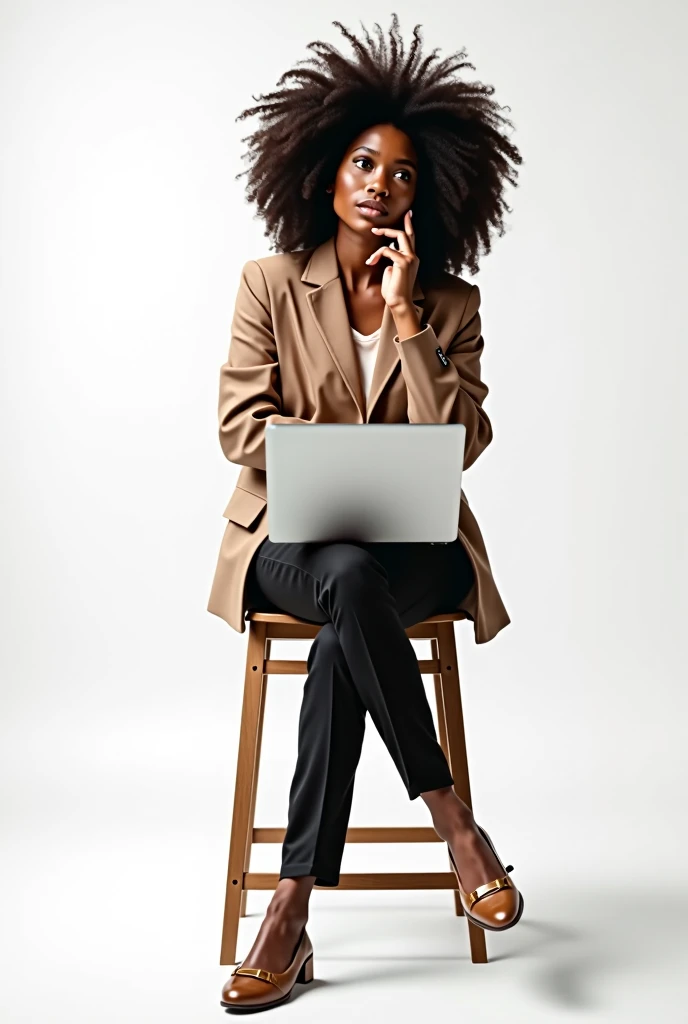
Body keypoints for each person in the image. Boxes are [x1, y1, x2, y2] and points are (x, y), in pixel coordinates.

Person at [214, 14, 524, 1013]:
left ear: (424, 193)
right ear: (323, 168)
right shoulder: (270, 284)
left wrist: (404, 320)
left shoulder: (449, 304)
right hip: (288, 546)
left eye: (398, 173)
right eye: (360, 162)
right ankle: (455, 825)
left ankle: (291, 906)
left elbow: (462, 442)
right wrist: (317, 458)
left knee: (358, 601)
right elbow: (238, 427)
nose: (376, 184)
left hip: (414, 555)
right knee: (343, 580)